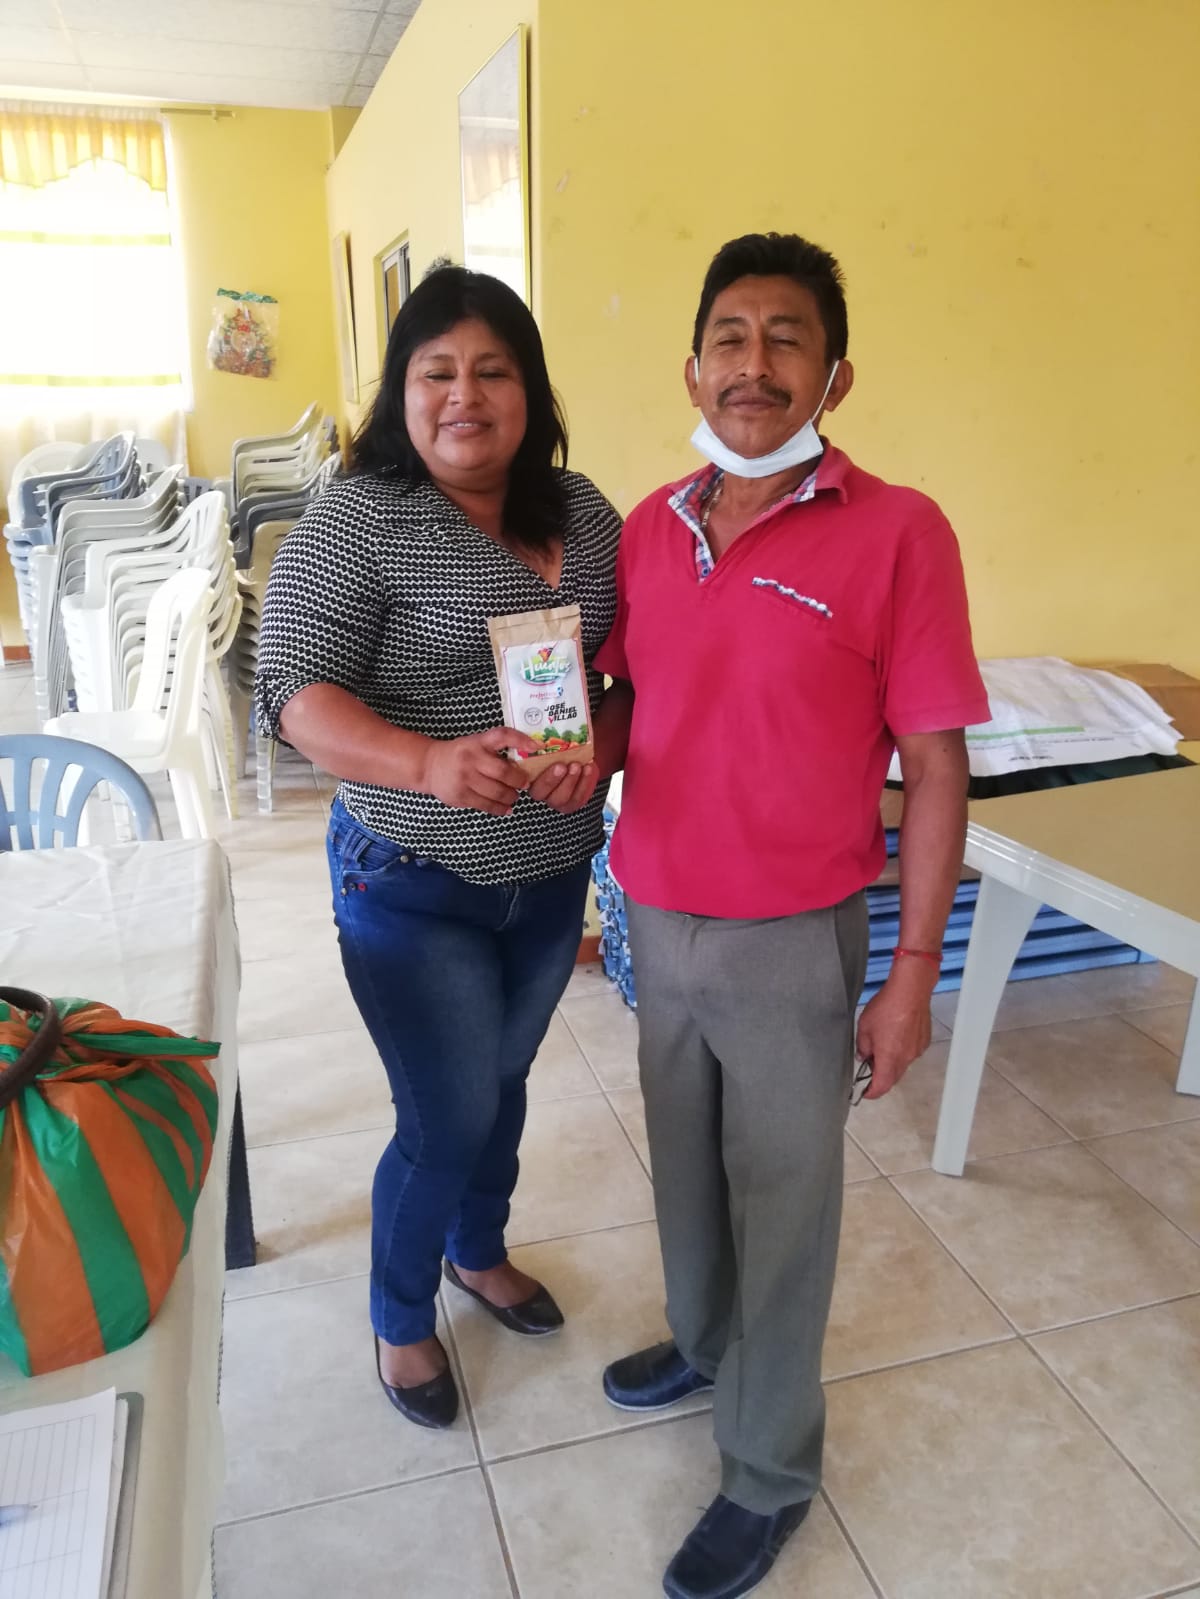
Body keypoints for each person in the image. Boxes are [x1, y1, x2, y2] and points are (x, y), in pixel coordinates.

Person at [545, 232, 989, 1598]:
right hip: (655, 911)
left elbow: (937, 765)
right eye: (729, 338)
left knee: (787, 1202)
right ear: (692, 368)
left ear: (833, 376)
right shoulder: (650, 526)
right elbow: (630, 696)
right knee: (686, 1165)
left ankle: (768, 1468)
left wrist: (913, 975)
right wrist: (575, 752)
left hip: (796, 937)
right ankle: (705, 1341)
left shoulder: (899, 531)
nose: (754, 365)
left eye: (786, 338)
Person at [254, 266, 621, 1430]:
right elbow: (292, 692)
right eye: (439, 372)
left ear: (532, 391)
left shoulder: (586, 515)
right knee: (447, 1112)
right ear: (401, 394)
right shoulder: (361, 516)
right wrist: (427, 762)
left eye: (493, 371)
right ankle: (401, 1313)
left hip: (549, 869)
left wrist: (600, 748)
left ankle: (478, 1248)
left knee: (500, 1083)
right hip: (413, 873)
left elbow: (624, 673)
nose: (466, 395)